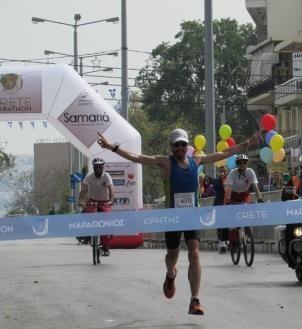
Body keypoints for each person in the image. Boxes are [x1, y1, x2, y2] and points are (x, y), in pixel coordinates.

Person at [97, 129, 259, 315]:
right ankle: (170, 274)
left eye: (183, 144)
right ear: (172, 147)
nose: (180, 147)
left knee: (194, 253)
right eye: (177, 145)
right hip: (172, 218)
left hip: (191, 216)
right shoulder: (166, 162)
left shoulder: (196, 160)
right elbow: (138, 158)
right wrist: (112, 147)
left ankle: (194, 300)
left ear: (188, 146)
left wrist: (248, 142)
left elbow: (224, 153)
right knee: (172, 256)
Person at [78, 157, 114, 256]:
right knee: (86, 216)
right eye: (96, 167)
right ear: (93, 168)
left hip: (104, 202)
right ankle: (87, 236)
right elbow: (84, 190)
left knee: (106, 223)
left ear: (103, 167)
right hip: (92, 201)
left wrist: (111, 201)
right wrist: (81, 201)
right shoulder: (89, 176)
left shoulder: (106, 176)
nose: (98, 169)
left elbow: (111, 190)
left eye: (100, 167)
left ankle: (106, 247)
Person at [213, 166, 229, 253]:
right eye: (221, 171)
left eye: (224, 171)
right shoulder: (216, 181)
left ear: (227, 171)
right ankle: (221, 244)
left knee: (227, 224)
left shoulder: (231, 179)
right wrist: (220, 179)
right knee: (220, 225)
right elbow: (216, 188)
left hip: (229, 204)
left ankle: (228, 241)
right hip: (219, 205)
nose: (223, 172)